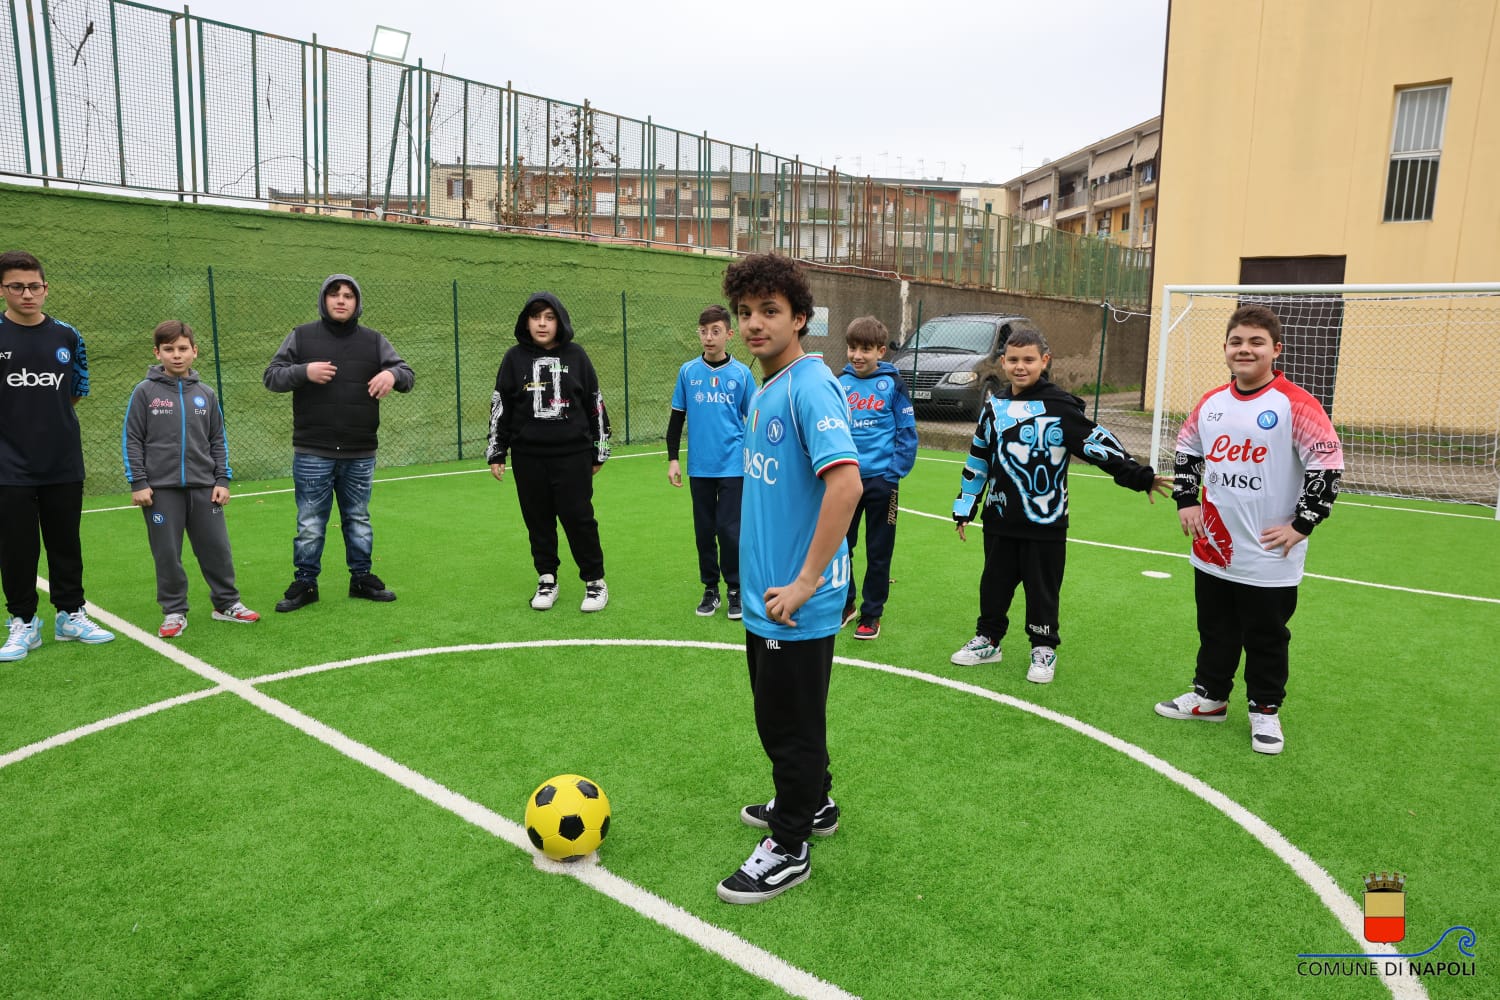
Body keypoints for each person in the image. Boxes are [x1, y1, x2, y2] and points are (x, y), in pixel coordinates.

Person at [717, 253, 861, 905]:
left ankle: (790, 844)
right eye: (745, 312)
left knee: (787, 725)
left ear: (800, 318)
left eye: (769, 312)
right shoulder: (765, 384)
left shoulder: (808, 384)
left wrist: (803, 583)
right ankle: (815, 803)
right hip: (766, 595)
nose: (753, 324)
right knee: (785, 717)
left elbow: (847, 485)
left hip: (796, 600)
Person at [1154, 304, 1343, 755]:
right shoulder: (1211, 403)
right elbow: (1188, 449)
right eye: (1237, 341)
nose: (1245, 349)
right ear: (1224, 349)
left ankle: (1265, 710)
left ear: (1276, 349)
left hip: (1268, 552)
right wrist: (1185, 501)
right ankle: (1211, 697)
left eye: (1256, 342)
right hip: (1214, 545)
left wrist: (1303, 523)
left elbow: (1328, 466)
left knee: (1266, 635)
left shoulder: (1296, 404)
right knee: (1215, 628)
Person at [950, 328, 1170, 683]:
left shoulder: (1060, 407)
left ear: (1044, 361)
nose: (1021, 367)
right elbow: (979, 457)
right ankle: (988, 640)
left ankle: (1043, 647)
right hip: (1000, 519)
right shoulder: (994, 407)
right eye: (1013, 360)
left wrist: (1139, 476)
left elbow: (1099, 445)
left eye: (1029, 360)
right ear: (1003, 362)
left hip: (1046, 523)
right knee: (993, 585)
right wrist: (965, 506)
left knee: (1043, 588)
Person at [263, 274, 413, 612]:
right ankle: (306, 583)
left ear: (358, 302)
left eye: (348, 295)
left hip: (360, 451)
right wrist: (303, 372)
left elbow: (407, 375)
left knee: (358, 518)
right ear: (324, 300)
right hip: (313, 450)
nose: (341, 300)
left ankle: (361, 578)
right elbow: (271, 376)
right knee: (310, 523)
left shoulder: (374, 341)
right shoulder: (301, 337)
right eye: (334, 295)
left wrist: (392, 374)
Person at [0, 250, 115, 662]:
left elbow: (76, 391)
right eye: (17, 286)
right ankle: (23, 623)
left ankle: (70, 614)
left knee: (66, 542)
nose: (27, 294)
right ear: (3, 289)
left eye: (34, 286)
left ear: (45, 288)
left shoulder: (68, 335)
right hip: (8, 465)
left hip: (62, 460)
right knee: (16, 546)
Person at [123, 321, 259, 638]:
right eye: (169, 349)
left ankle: (226, 604)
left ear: (194, 352)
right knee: (167, 553)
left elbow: (217, 440)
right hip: (160, 491)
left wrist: (222, 480)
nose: (177, 355)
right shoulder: (145, 392)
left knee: (216, 548)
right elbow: (132, 439)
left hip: (204, 487)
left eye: (183, 348)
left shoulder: (205, 394)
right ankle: (174, 611)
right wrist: (138, 482)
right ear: (157, 352)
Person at [487, 292, 612, 613]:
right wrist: (497, 450)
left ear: (560, 321)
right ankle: (547, 579)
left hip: (573, 455)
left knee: (579, 518)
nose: (542, 324)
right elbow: (501, 405)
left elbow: (595, 404)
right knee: (538, 519)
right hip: (529, 457)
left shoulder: (578, 357)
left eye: (549, 317)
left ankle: (595, 582)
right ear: (526, 322)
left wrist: (600, 449)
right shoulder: (513, 358)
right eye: (536, 317)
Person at [666, 304, 754, 620]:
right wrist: (673, 459)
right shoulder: (688, 372)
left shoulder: (742, 374)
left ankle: (735, 589)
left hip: (734, 466)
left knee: (729, 530)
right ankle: (710, 589)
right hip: (699, 467)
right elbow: (677, 419)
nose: (708, 337)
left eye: (715, 331)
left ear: (729, 334)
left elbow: (754, 420)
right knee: (704, 531)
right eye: (703, 331)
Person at [837, 316, 917, 640]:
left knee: (879, 550)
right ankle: (845, 603)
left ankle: (871, 614)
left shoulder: (893, 384)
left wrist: (892, 474)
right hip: (844, 481)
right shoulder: (838, 383)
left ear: (881, 351)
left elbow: (907, 433)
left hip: (882, 482)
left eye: (866, 349)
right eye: (853, 347)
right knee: (840, 546)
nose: (857, 355)